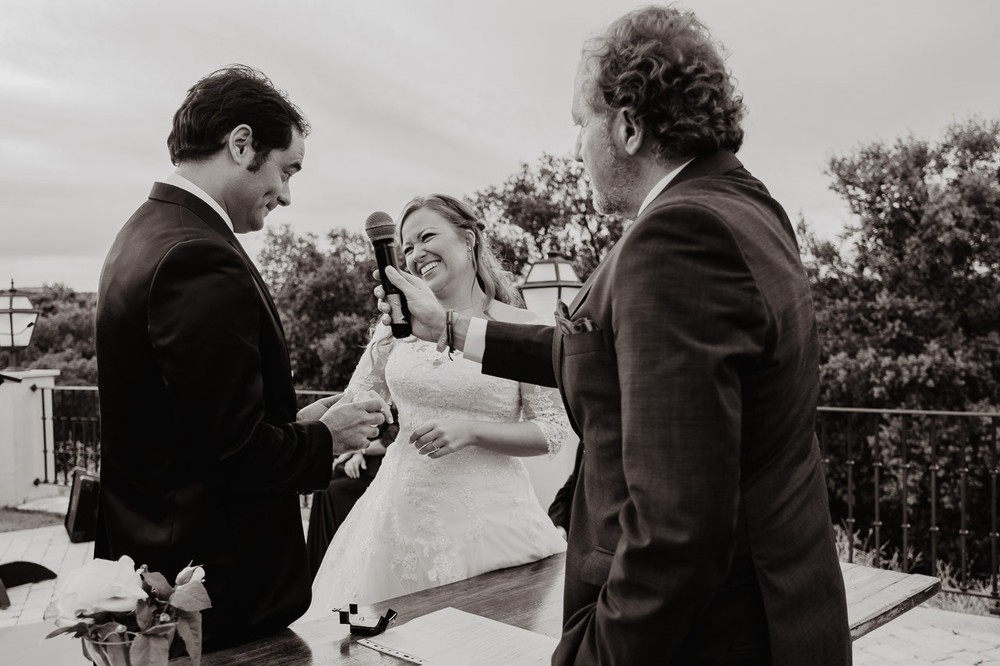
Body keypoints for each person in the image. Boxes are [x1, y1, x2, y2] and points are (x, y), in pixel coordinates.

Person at [377, 7, 852, 665]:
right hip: (782, 612)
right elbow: (598, 351)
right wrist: (449, 329)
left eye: (581, 124)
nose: (576, 148)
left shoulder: (678, 240)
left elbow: (675, 531)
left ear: (627, 126)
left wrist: (595, 654)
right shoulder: (747, 206)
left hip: (712, 639)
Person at [94, 64, 391, 651]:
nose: (286, 193)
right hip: (212, 597)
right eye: (287, 169)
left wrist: (296, 424)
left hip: (158, 571)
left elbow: (188, 429)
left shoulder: (141, 234)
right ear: (241, 144)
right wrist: (326, 439)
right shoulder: (198, 257)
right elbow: (233, 453)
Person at [298, 194, 569, 623]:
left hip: (491, 524)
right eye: (405, 247)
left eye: (426, 237)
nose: (415, 253)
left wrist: (472, 431)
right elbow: (356, 404)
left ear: (468, 238)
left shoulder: (521, 328)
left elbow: (551, 432)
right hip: (396, 519)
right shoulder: (394, 330)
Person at [305, 399, 397, 579]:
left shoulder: (400, 410)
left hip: (381, 467)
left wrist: (360, 452)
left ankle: (336, 558)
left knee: (332, 491)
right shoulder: (381, 400)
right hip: (367, 460)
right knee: (325, 485)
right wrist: (353, 454)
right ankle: (317, 561)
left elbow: (389, 442)